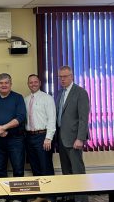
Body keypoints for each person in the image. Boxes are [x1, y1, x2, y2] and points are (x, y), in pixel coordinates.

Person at [56, 65, 89, 202]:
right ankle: (70, 198)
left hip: (74, 139)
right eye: (60, 77)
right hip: (61, 139)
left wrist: (80, 138)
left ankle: (81, 200)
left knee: (78, 172)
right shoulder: (60, 93)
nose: (62, 79)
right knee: (66, 172)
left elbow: (83, 118)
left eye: (65, 76)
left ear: (72, 76)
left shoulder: (80, 92)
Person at [0, 73, 26, 178]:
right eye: (1, 83)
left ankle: (19, 195)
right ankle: (2, 195)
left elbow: (20, 117)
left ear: (11, 84)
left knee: (18, 169)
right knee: (0, 170)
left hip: (16, 140)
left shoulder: (18, 97)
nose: (3, 85)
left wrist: (3, 128)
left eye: (6, 83)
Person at [24, 74, 56, 176]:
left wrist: (48, 138)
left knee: (45, 167)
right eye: (31, 82)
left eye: (35, 82)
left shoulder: (47, 98)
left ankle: (50, 191)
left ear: (40, 83)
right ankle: (40, 191)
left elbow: (52, 119)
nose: (33, 84)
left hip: (43, 137)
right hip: (29, 137)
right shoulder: (26, 99)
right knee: (35, 167)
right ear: (28, 84)